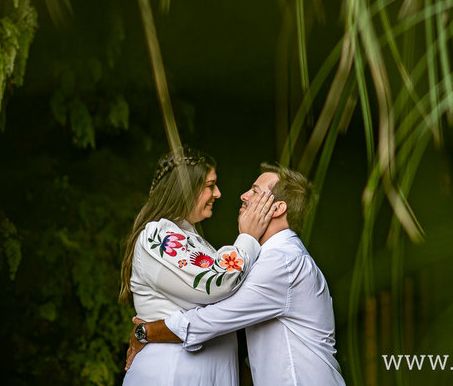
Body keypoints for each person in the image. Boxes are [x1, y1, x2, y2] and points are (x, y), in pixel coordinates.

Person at [127, 163, 345, 386]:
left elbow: (214, 318)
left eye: (254, 191)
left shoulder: (282, 262)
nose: (243, 196)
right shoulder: (275, 259)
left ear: (277, 208)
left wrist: (147, 330)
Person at [120, 148, 275, 385]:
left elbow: (232, 304)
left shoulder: (194, 241)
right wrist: (248, 237)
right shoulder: (159, 235)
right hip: (170, 374)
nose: (218, 193)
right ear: (185, 188)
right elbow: (216, 285)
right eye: (210, 185)